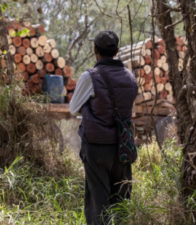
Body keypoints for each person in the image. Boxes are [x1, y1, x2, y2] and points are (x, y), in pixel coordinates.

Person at [69, 30, 138, 225]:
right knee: (122, 200)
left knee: (98, 201)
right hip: (123, 147)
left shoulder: (91, 76)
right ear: (116, 51)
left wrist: (91, 112)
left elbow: (73, 109)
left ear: (94, 51)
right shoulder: (130, 77)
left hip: (97, 147)